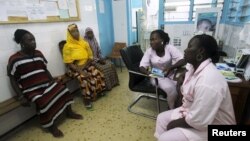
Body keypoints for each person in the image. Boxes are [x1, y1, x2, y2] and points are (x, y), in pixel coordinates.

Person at [154, 34, 236, 141]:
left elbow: (199, 121)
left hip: (215, 126)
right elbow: (187, 71)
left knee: (167, 137)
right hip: (194, 113)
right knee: (161, 118)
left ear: (200, 51)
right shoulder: (194, 67)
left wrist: (173, 125)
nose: (185, 50)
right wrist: (184, 76)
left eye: (189, 46)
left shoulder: (208, 81)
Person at [7, 29, 83, 138]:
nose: (34, 42)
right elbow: (12, 78)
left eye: (34, 39)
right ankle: (51, 125)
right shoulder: (14, 59)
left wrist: (52, 81)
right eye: (30, 40)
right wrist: (20, 96)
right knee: (42, 101)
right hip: (31, 90)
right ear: (22, 43)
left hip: (46, 84)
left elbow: (45, 69)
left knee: (63, 89)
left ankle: (69, 112)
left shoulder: (38, 53)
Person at [62, 23, 106, 108]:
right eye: (73, 32)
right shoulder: (67, 46)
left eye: (77, 31)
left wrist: (84, 66)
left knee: (98, 73)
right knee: (83, 79)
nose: (76, 33)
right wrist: (81, 71)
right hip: (74, 68)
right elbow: (69, 63)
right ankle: (87, 100)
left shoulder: (84, 43)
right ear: (69, 34)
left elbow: (90, 57)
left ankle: (99, 92)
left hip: (86, 64)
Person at [139, 29, 184, 109]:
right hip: (156, 74)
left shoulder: (169, 48)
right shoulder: (149, 51)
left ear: (162, 40)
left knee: (181, 87)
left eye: (154, 39)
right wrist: (149, 74)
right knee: (171, 90)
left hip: (170, 73)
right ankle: (171, 109)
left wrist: (171, 67)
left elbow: (183, 59)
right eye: (151, 40)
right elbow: (142, 66)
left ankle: (178, 105)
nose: (151, 42)